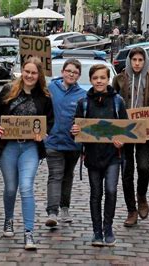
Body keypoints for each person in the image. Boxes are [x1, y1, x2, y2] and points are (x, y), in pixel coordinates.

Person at [0, 57, 53, 250]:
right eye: (27, 72)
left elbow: (50, 122)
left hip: (30, 148)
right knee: (10, 188)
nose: (30, 76)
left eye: (34, 73)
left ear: (39, 75)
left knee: (26, 187)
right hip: (8, 146)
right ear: (22, 71)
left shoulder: (45, 97)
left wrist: (43, 134)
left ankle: (28, 232)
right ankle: (8, 219)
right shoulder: (9, 90)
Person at [71, 64, 127, 247]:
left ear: (108, 79)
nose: (99, 81)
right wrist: (75, 130)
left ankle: (108, 228)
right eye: (95, 78)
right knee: (96, 193)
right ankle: (97, 231)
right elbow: (76, 129)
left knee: (111, 190)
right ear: (90, 80)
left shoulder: (118, 101)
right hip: (93, 156)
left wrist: (122, 140)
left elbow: (126, 129)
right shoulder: (84, 103)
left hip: (113, 155)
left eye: (102, 78)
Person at [112, 47, 149, 227]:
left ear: (145, 61)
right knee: (127, 172)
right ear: (129, 61)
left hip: (144, 131)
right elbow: (113, 104)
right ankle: (131, 210)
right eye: (134, 60)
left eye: (140, 60)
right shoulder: (119, 79)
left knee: (143, 167)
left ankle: (141, 196)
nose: (136, 63)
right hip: (125, 131)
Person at [44, 59, 86, 228]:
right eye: (68, 71)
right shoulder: (50, 89)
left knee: (67, 176)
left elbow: (86, 120)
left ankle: (65, 208)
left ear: (79, 76)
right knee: (55, 175)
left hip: (72, 145)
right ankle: (52, 212)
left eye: (75, 72)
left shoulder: (82, 95)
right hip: (53, 142)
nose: (71, 74)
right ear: (62, 71)